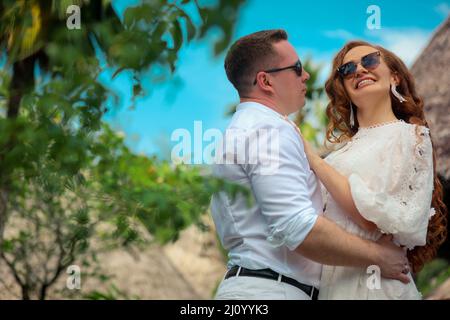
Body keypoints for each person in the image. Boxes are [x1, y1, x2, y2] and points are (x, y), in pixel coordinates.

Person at [210, 30, 410, 300]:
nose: (305, 76)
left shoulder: (245, 129)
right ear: (266, 80)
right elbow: (297, 227)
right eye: (296, 68)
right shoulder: (268, 131)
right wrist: (380, 257)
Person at [300, 40, 447, 299]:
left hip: (375, 287)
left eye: (369, 60)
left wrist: (314, 160)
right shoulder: (339, 155)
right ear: (344, 88)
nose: (359, 70)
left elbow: (369, 219)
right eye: (347, 69)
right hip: (330, 284)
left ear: (395, 77)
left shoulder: (412, 137)